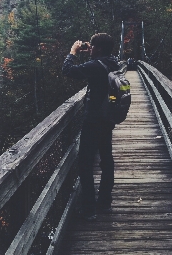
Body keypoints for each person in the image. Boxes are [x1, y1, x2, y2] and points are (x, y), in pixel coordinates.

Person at [62, 33, 119, 221]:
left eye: (93, 46)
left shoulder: (95, 66)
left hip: (93, 120)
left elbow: (68, 70)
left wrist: (73, 52)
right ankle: (105, 202)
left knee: (85, 164)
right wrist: (90, 53)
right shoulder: (113, 62)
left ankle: (89, 209)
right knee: (106, 160)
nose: (90, 48)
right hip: (107, 119)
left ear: (99, 49)